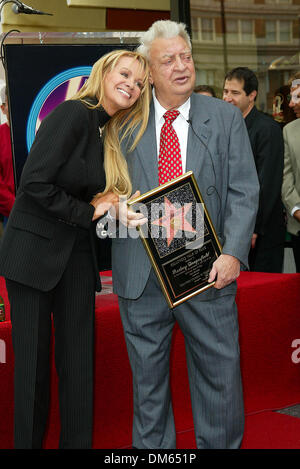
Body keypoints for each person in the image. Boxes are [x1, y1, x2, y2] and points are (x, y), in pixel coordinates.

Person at [112, 20, 259, 449]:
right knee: (149, 392)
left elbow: (245, 191)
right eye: (168, 60)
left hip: (208, 272)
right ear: (149, 71)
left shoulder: (226, 118)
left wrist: (232, 253)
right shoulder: (121, 123)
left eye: (186, 57)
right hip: (141, 276)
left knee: (220, 383)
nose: (181, 66)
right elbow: (103, 190)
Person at [0, 49, 150, 449]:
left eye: (139, 83)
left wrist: (113, 207)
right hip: (33, 257)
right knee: (32, 373)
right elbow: (34, 186)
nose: (131, 86)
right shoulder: (71, 114)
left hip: (75, 260)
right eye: (125, 74)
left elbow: (90, 195)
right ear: (103, 72)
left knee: (79, 369)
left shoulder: (107, 130)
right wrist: (90, 210)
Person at [223, 67, 285, 273]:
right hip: (232, 230)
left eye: (235, 93)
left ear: (252, 96)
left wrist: (253, 228)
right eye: (225, 91)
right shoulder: (225, 127)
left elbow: (267, 184)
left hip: (262, 232)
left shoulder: (267, 129)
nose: (227, 98)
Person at [281, 71, 300, 272]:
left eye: (298, 97)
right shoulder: (289, 131)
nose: (292, 104)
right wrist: (297, 210)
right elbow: (286, 177)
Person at [0, 86, 15, 228]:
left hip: (43, 211)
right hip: (12, 214)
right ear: (3, 108)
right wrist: (15, 206)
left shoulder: (35, 132)